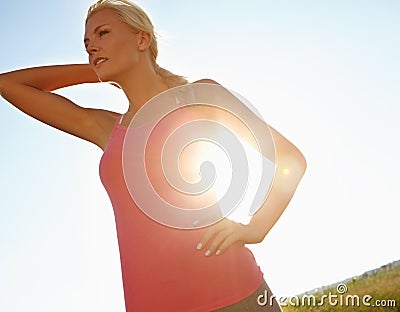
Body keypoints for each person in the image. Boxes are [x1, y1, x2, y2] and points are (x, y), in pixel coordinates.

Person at [0, 0, 306, 311]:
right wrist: (99, 69)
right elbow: (9, 84)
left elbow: (289, 159)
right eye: (87, 43)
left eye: (103, 33)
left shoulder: (199, 96)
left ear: (142, 39)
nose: (92, 46)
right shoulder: (107, 128)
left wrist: (255, 228)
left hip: (234, 293)